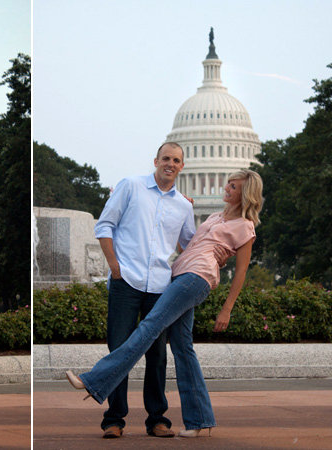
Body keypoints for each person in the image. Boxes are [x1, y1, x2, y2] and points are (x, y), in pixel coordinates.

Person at [67, 169, 263, 438]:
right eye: (228, 184)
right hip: (179, 276)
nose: (227, 188)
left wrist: (226, 308)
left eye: (234, 187)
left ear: (246, 194)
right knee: (183, 348)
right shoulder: (215, 217)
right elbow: (189, 245)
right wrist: (180, 205)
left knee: (149, 328)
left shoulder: (245, 227)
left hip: (196, 279)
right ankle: (198, 420)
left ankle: (94, 381)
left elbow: (240, 272)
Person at [91, 142, 196, 439]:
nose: (170, 164)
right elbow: (105, 225)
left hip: (161, 287)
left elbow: (189, 244)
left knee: (157, 355)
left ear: (181, 166)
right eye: (166, 158)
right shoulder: (131, 186)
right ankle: (114, 419)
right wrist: (114, 266)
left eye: (176, 160)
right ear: (156, 161)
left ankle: (157, 419)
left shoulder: (183, 206)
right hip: (127, 281)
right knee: (120, 349)